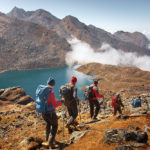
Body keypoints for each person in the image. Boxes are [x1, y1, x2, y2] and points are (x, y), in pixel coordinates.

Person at [42, 77, 63, 148]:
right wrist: (61, 102)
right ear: (53, 85)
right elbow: (54, 105)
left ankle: (47, 139)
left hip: (44, 113)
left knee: (48, 124)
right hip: (50, 113)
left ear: (47, 83)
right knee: (55, 126)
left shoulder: (42, 91)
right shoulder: (51, 93)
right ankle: (50, 143)